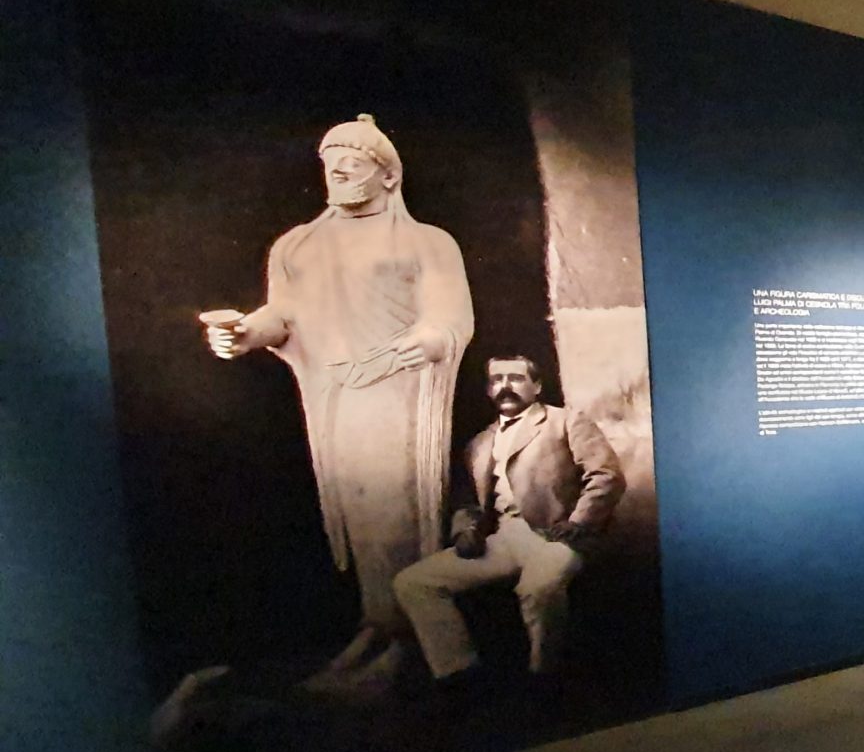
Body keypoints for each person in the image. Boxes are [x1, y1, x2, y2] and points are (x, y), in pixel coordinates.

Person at [200, 114, 474, 692]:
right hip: (336, 398)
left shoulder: (427, 243)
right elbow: (284, 316)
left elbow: (449, 319)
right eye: (330, 164)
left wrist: (416, 346)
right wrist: (244, 333)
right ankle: (377, 626)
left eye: (353, 163)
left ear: (389, 175)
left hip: (398, 397)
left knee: (396, 516)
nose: (338, 172)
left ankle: (406, 642)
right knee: (360, 517)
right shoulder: (297, 245)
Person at [393, 352, 622, 697]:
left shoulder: (565, 421)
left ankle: (543, 680)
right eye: (497, 380)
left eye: (515, 378)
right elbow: (469, 503)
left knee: (537, 587)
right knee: (413, 582)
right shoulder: (479, 443)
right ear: (489, 390)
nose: (505, 387)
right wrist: (465, 532)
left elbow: (606, 475)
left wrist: (578, 521)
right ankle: (459, 675)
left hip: (557, 535)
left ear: (537, 385)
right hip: (504, 538)